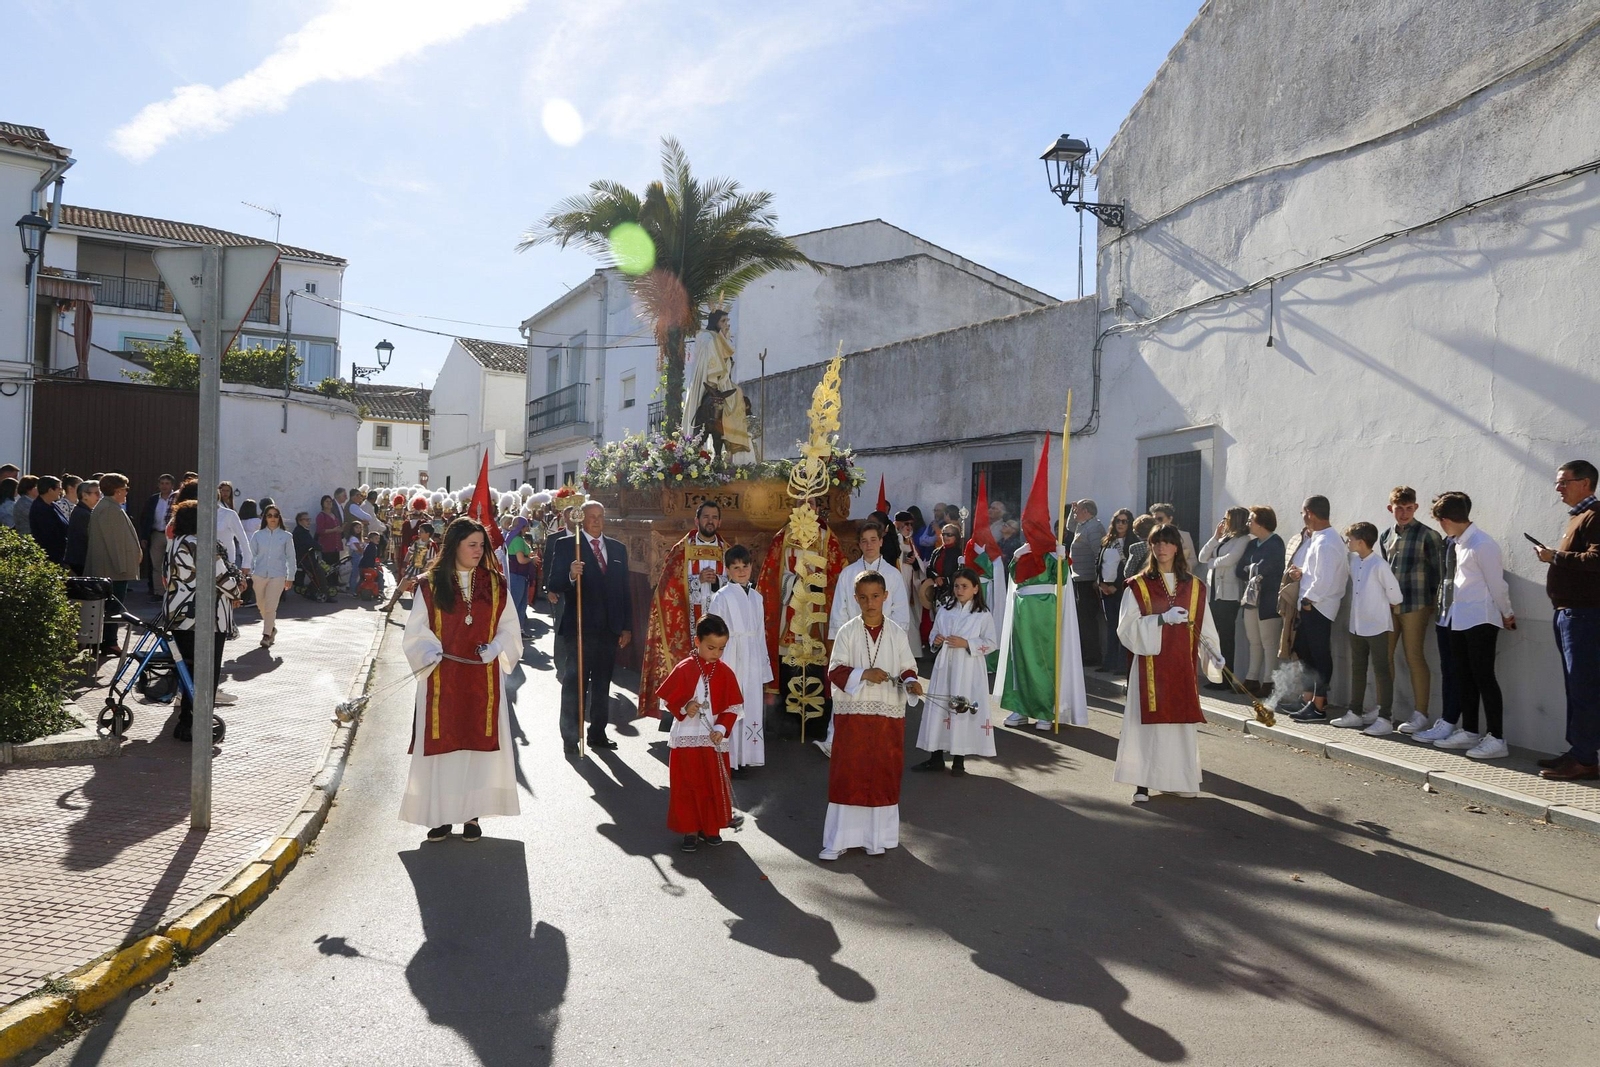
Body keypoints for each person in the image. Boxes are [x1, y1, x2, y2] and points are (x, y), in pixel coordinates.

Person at [400, 517, 523, 842]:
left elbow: (510, 626)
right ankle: (440, 817)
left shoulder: (495, 584)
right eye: (472, 544)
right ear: (455, 545)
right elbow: (416, 629)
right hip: (441, 680)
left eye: (481, 546)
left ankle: (471, 815)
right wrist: (427, 652)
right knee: (445, 750)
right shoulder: (429, 584)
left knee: (476, 749)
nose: (478, 551)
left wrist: (496, 647)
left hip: (483, 680)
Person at [1114, 524, 1223, 803]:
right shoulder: (1138, 585)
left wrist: (1214, 654)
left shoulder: (1195, 586)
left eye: (1167, 542)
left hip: (1181, 667)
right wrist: (1161, 620)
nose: (1161, 548)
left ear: (1178, 547)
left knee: (1178, 725)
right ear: (1150, 547)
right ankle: (1142, 783)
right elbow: (1126, 628)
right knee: (1147, 726)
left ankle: (1178, 779)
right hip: (1150, 666)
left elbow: (1205, 626)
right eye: (1156, 543)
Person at [820, 572, 923, 860]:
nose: (870, 602)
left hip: (887, 716)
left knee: (882, 773)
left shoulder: (896, 633)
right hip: (854, 715)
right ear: (856, 599)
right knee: (848, 773)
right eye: (863, 597)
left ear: (885, 596)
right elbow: (835, 671)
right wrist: (864, 673)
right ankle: (838, 840)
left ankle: (877, 839)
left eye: (875, 596)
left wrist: (912, 681)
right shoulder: (847, 632)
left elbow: (907, 667)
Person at [1414, 492, 1514, 757]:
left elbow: (1497, 584)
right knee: (1465, 677)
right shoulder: (1460, 543)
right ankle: (1470, 731)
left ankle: (1497, 738)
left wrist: (1507, 613)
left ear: (1446, 520)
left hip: (1481, 619)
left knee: (1484, 678)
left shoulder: (1483, 544)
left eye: (1439, 520)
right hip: (1458, 619)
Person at [546, 501, 633, 754]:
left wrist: (626, 626)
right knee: (575, 683)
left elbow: (624, 590)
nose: (596, 520)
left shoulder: (617, 548)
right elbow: (553, 583)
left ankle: (598, 733)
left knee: (603, 683)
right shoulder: (567, 546)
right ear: (581, 520)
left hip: (609, 628)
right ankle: (571, 736)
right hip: (580, 627)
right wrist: (571, 575)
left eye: (600, 516)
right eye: (591, 516)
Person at [757, 499, 847, 738]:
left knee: (815, 663)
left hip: (816, 616)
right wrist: (794, 584)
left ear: (818, 509)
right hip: (790, 613)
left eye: (812, 504)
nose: (808, 508)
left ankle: (816, 727)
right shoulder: (783, 536)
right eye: (802, 503)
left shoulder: (827, 537)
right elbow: (771, 576)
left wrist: (819, 587)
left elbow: (840, 575)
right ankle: (786, 726)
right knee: (790, 664)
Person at [1534, 460, 1600, 781]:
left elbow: (1597, 558)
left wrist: (1554, 556)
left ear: (1585, 483)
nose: (1558, 488)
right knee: (1575, 687)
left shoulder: (1595, 515)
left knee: (1583, 686)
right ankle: (1578, 752)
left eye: (1564, 482)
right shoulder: (1579, 517)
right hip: (1570, 615)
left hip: (1585, 616)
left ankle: (1586, 759)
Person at [656, 615, 742, 852]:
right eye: (711, 647)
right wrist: (685, 707)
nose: (716, 653)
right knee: (687, 784)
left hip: (713, 739)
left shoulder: (725, 672)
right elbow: (668, 700)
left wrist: (722, 728)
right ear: (697, 641)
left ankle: (710, 828)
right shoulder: (684, 667)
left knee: (712, 784)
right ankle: (690, 830)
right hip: (686, 737)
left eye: (721, 648)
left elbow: (733, 707)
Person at [162, 499, 244, 742]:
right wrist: (238, 590)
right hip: (205, 618)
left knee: (188, 672)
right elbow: (222, 577)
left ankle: (186, 723)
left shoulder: (176, 542)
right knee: (206, 674)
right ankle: (196, 725)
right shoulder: (201, 544)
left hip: (179, 616)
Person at [641, 501, 730, 729]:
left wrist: (719, 580)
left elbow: (738, 583)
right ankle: (682, 717)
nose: (710, 520)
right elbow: (667, 587)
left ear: (719, 522)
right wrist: (697, 581)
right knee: (687, 668)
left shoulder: (726, 550)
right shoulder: (682, 549)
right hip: (688, 620)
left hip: (718, 619)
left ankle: (714, 716)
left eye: (714, 517)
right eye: (706, 516)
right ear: (697, 521)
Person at [995, 536, 1089, 732]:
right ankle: (1020, 708)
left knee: (1043, 659)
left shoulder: (1052, 553)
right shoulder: (1023, 552)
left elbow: (1061, 579)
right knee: (1019, 658)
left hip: (1045, 608)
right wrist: (1016, 557)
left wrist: (1061, 558)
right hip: (1021, 608)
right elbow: (1014, 576)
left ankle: (1045, 710)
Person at [913, 568, 998, 775]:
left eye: (965, 586)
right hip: (945, 667)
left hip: (968, 668)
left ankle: (959, 760)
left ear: (975, 589)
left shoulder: (982, 615)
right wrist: (936, 640)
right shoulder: (944, 610)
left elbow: (991, 643)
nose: (960, 590)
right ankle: (936, 757)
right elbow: (933, 635)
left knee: (961, 706)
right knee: (941, 706)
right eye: (957, 586)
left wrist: (967, 643)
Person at [1378, 486, 1446, 735]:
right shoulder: (1385, 535)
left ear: (1416, 508)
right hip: (1389, 604)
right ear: (1391, 509)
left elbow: (1439, 573)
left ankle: (1421, 714)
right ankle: (1384, 711)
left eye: (1409, 508)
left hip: (1417, 603)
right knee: (1383, 658)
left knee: (1414, 656)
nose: (1404, 513)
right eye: (1399, 509)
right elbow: (1384, 570)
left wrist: (1435, 606)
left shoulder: (1429, 535)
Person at [707, 545, 772, 773]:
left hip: (752, 654)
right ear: (727, 570)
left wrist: (764, 667)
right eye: (736, 568)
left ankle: (746, 758)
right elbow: (713, 631)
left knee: (751, 704)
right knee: (731, 703)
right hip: (731, 654)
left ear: (751, 567)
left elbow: (760, 630)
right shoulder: (721, 597)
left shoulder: (757, 597)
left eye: (745, 566)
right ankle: (729, 758)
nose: (742, 571)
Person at [1333, 522, 1403, 733]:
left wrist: (1384, 604)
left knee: (1382, 671)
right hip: (1357, 626)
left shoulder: (1380, 565)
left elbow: (1396, 595)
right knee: (1358, 669)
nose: (1348, 543)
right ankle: (1355, 713)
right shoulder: (1354, 562)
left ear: (1361, 542)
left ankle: (1385, 719)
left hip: (1378, 626)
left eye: (1350, 539)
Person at [1286, 496, 1350, 722]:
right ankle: (1308, 699)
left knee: (1319, 655)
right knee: (1305, 651)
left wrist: (1307, 601)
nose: (1302, 517)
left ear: (1309, 513)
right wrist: (1301, 573)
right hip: (1313, 603)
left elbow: (1325, 579)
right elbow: (1318, 571)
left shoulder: (1326, 541)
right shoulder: (1321, 538)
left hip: (1318, 606)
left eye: (1303, 513)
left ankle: (1319, 705)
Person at [684, 308, 754, 461]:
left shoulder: (716, 338)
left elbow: (725, 358)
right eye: (723, 321)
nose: (726, 325)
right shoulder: (708, 338)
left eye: (727, 321)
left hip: (720, 380)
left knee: (739, 395)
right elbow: (714, 363)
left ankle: (730, 443)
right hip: (711, 381)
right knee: (730, 398)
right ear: (714, 322)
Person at [86, 473, 143, 656]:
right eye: (125, 489)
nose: (127, 493)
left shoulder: (109, 506)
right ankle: (109, 642)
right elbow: (114, 542)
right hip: (114, 570)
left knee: (111, 608)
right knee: (112, 608)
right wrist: (122, 567)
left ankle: (106, 641)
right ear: (117, 490)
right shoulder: (109, 509)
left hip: (113, 568)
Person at [1197, 506, 1251, 689]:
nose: (1224, 521)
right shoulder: (1224, 538)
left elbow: (1231, 559)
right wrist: (1214, 537)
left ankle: (1227, 678)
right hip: (1213, 592)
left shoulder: (1243, 539)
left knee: (1226, 636)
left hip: (1228, 594)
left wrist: (1213, 563)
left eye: (1227, 518)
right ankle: (1215, 676)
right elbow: (1202, 557)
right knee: (1214, 636)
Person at [1234, 506, 1285, 698]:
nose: (1248, 524)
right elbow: (1240, 570)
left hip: (1268, 600)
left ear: (1262, 522)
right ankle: (1252, 678)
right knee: (1253, 640)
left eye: (1251, 520)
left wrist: (1253, 569)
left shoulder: (1276, 543)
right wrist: (1254, 569)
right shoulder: (1252, 544)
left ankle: (1269, 681)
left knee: (1268, 641)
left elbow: (1268, 568)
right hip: (1251, 598)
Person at [831, 523, 911, 638]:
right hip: (854, 637)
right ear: (859, 544)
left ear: (881, 542)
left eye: (873, 540)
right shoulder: (847, 573)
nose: (869, 545)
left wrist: (890, 637)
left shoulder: (893, 574)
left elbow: (900, 610)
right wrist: (843, 638)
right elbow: (840, 610)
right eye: (864, 541)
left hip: (885, 638)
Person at [1065, 499, 1107, 670]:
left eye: (1078, 509)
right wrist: (1072, 512)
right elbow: (1069, 527)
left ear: (1087, 511)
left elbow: (1098, 553)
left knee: (1087, 619)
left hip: (1088, 579)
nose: (1075, 512)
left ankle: (1092, 655)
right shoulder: (1082, 525)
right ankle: (1084, 653)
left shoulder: (1094, 527)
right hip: (1079, 578)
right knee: (1081, 619)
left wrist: (1098, 579)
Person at [250, 505, 297, 648]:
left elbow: (291, 557)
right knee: (261, 604)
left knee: (271, 606)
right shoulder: (258, 535)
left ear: (279, 517)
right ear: (265, 517)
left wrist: (290, 577)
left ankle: (266, 635)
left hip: (278, 575)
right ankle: (272, 628)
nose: (272, 518)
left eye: (275, 515)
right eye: (269, 515)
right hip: (259, 574)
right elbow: (251, 555)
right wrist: (250, 572)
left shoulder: (286, 536)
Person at [1096, 509, 1136, 675]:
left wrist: (1117, 586)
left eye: (1124, 521)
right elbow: (1099, 562)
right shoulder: (1107, 541)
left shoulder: (1132, 542)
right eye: (1118, 521)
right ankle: (1109, 663)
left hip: (1121, 590)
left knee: (1122, 628)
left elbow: (1129, 568)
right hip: (1105, 589)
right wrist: (1101, 584)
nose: (1120, 524)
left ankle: (1121, 664)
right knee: (1111, 627)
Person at [894, 510, 928, 656]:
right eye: (906, 524)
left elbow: (918, 565)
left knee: (911, 617)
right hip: (898, 584)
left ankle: (913, 652)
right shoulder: (895, 539)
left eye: (911, 524)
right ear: (897, 524)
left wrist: (914, 562)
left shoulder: (911, 541)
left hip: (910, 585)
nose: (909, 527)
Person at [140, 474, 176, 597]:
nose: (164, 486)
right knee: (157, 565)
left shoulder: (177, 499)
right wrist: (144, 537)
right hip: (157, 534)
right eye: (162, 483)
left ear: (172, 485)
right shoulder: (153, 499)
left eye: (167, 483)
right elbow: (145, 518)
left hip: (173, 536)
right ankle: (159, 592)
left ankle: (173, 591)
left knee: (173, 564)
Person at [505, 520, 537, 638]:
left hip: (519, 576)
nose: (528, 529)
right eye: (526, 527)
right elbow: (521, 560)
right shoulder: (517, 540)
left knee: (520, 604)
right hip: (517, 576)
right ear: (522, 527)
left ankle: (518, 631)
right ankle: (513, 632)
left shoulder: (515, 538)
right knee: (517, 605)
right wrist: (532, 559)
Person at [28, 475, 69, 564]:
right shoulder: (40, 508)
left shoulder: (53, 505)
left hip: (59, 554)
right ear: (50, 490)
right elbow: (48, 534)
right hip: (50, 556)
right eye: (59, 488)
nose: (61, 491)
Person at [66, 480, 99, 575]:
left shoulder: (84, 511)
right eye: (96, 493)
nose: (99, 497)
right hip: (81, 560)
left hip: (80, 559)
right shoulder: (83, 514)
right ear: (84, 495)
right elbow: (89, 538)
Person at [1123, 514, 1157, 580]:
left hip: (1141, 584)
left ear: (1137, 532)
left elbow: (1128, 573)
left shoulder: (1135, 548)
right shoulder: (1160, 545)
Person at [343, 520, 366, 596]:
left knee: (356, 574)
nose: (358, 529)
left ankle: (352, 588)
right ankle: (352, 591)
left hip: (358, 555)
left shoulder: (358, 538)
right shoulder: (353, 538)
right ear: (352, 528)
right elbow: (360, 549)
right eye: (356, 527)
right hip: (356, 555)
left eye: (360, 528)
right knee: (355, 574)